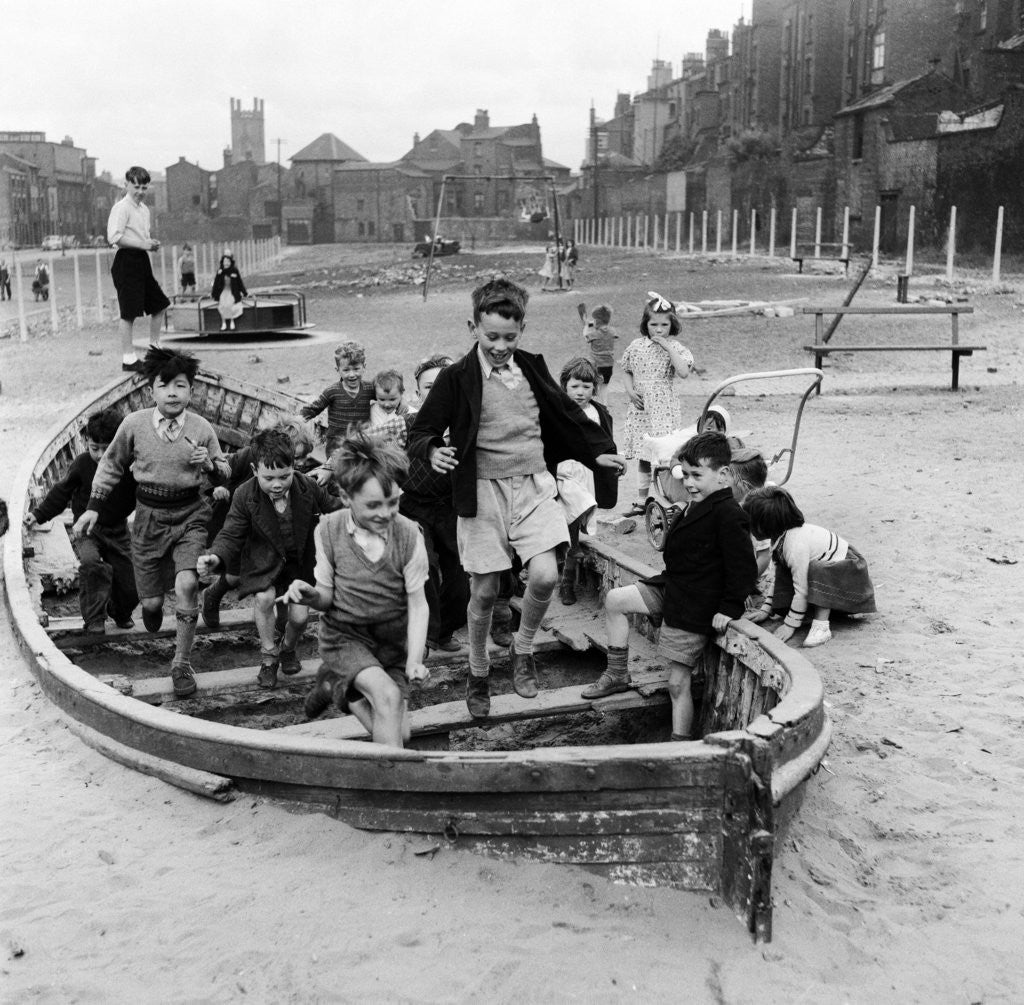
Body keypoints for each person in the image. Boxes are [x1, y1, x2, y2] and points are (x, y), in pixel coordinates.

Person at [409, 277, 625, 719]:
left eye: (510, 336)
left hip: (533, 485)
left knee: (544, 575)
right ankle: (478, 668)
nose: (501, 346)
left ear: (522, 328)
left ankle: (522, 650)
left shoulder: (531, 367)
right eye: (492, 337)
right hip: (482, 493)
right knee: (485, 591)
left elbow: (565, 416)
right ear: (474, 327)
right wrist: (433, 450)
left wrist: (599, 452)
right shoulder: (456, 377)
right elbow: (423, 429)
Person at [74, 346, 230, 697]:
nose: (172, 393)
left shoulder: (202, 428)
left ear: (192, 391)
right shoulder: (134, 425)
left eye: (180, 386)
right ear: (151, 391)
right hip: (147, 520)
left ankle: (181, 664)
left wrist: (209, 466)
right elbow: (111, 465)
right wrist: (94, 507)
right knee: (152, 605)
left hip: (192, 515)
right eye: (164, 386)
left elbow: (224, 473)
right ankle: (153, 606)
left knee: (188, 584)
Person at [582, 431, 757, 741]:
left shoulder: (730, 515)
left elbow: (744, 569)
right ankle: (618, 673)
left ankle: (679, 743)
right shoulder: (695, 504)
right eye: (685, 474)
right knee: (615, 600)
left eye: (697, 475)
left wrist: (729, 608)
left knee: (677, 683)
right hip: (672, 588)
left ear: (724, 475)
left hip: (694, 606)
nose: (688, 482)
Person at [281, 433, 430, 748]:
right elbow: (325, 597)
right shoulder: (329, 529)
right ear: (347, 497)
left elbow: (418, 605)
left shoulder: (409, 535)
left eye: (393, 502)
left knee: (400, 733)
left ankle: (340, 692)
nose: (386, 513)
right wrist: (310, 595)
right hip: (346, 636)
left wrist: (414, 659)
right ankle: (390, 788)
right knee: (387, 697)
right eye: (373, 505)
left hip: (392, 642)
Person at [197, 428, 340, 690]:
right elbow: (230, 533)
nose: (277, 484)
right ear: (254, 470)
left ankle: (288, 648)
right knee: (263, 598)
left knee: (298, 619)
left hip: (298, 563)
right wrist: (215, 556)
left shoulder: (306, 486)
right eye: (269, 477)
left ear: (295, 467)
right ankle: (269, 656)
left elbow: (335, 508)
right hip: (262, 560)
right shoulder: (244, 494)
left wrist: (364, 509)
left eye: (284, 476)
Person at [24, 408, 138, 634]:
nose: (100, 455)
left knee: (130, 584)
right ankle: (94, 618)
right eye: (95, 448)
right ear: (86, 442)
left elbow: (147, 491)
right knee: (90, 563)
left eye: (108, 449)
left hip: (118, 530)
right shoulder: (82, 464)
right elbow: (61, 493)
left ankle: (120, 611)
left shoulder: (130, 466)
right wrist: (38, 514)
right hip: (88, 531)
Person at [741, 485, 876, 648]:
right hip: (833, 578)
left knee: (817, 569)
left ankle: (821, 626)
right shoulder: (780, 539)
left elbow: (802, 590)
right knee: (785, 571)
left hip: (850, 577)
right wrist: (766, 609)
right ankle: (805, 613)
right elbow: (779, 577)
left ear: (765, 525)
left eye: (751, 523)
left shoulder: (795, 544)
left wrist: (790, 626)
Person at [400, 355, 468, 654]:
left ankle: (443, 632)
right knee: (423, 564)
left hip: (452, 508)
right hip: (413, 506)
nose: (437, 391)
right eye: (429, 386)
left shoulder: (465, 425)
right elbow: (365, 442)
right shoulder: (405, 423)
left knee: (460, 577)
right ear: (418, 393)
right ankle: (423, 632)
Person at [620, 291, 694, 516]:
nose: (659, 329)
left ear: (672, 326)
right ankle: (642, 501)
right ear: (646, 324)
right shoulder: (636, 346)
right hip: (641, 408)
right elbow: (626, 369)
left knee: (663, 455)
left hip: (663, 409)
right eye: (654, 324)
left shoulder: (676, 348)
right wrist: (631, 391)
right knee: (644, 455)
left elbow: (683, 372)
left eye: (664, 325)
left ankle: (665, 498)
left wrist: (668, 347)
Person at [556, 356, 618, 606]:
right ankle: (566, 583)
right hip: (565, 472)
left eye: (586, 386)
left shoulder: (599, 412)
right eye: (575, 386)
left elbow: (607, 442)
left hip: (589, 472)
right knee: (571, 519)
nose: (580, 392)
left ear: (595, 387)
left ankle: (572, 557)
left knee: (578, 518)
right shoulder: (559, 412)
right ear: (564, 386)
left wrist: (613, 463)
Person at [107, 166, 171, 373]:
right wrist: (142, 245)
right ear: (126, 185)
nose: (140, 191)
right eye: (136, 187)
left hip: (141, 261)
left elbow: (141, 237)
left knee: (159, 304)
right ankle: (128, 358)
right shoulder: (121, 208)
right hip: (126, 261)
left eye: (144, 187)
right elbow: (115, 237)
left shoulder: (144, 210)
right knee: (129, 312)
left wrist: (149, 243)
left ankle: (154, 350)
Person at [300, 340, 374, 456]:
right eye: (346, 370)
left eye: (356, 369)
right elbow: (314, 408)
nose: (352, 374)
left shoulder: (370, 389)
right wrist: (297, 419)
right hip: (336, 448)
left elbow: (385, 394)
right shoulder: (332, 391)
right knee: (337, 472)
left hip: (360, 446)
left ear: (364, 367)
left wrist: (401, 403)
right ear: (338, 370)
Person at [583, 303, 617, 402]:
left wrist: (586, 326)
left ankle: (594, 407)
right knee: (604, 387)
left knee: (593, 387)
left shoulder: (594, 334)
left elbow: (585, 336)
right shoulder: (612, 332)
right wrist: (592, 324)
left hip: (596, 365)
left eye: (594, 319)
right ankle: (604, 406)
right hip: (609, 365)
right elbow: (606, 330)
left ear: (597, 321)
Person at [366, 368, 409, 447]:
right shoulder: (371, 409)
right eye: (382, 399)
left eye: (392, 399)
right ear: (375, 395)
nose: (387, 404)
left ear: (402, 393)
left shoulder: (405, 411)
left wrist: (403, 400)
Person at [211, 252, 247, 331]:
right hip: (223, 291)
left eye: (228, 261)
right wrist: (214, 293)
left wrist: (244, 292)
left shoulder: (234, 271)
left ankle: (231, 321)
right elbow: (216, 283)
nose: (226, 263)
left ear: (231, 262)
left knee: (230, 302)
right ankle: (223, 322)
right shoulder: (220, 272)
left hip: (232, 291)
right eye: (225, 262)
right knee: (223, 303)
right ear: (222, 263)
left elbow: (239, 282)